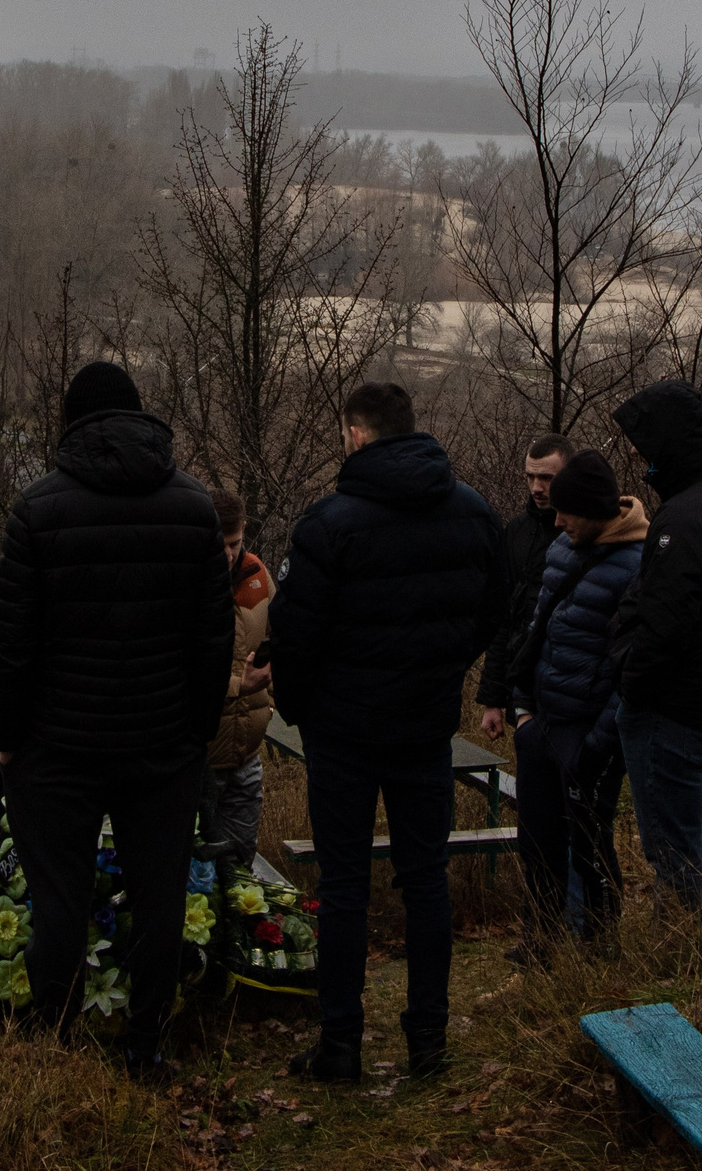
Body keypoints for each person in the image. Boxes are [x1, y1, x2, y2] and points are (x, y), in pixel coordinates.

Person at [0, 362, 232, 1077]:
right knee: (160, 901)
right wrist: (197, 730)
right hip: (162, 746)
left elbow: (13, 645)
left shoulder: (37, 509)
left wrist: (10, 739)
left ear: (70, 423)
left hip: (58, 749)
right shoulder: (194, 508)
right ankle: (145, 1047)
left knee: (59, 902)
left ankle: (54, 1046)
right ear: (138, 416)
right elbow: (213, 638)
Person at [259, 382, 505, 1085]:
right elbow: (495, 605)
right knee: (427, 878)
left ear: (357, 436)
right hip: (424, 724)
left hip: (343, 731)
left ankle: (341, 1042)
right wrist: (445, 667)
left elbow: (295, 634)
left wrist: (305, 710)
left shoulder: (329, 523)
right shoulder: (474, 511)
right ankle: (427, 1037)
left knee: (344, 886)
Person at [610, 379, 702, 917]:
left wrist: (632, 682)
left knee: (673, 843)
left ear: (669, 443)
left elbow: (666, 623)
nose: (635, 452)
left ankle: (684, 949)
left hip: (674, 705)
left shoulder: (687, 516)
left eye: (643, 442)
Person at [506, 449, 645, 956]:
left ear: (594, 509)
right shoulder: (563, 549)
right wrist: (523, 711)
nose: (557, 520)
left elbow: (633, 670)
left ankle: (600, 949)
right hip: (542, 723)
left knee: (589, 844)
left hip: (589, 733)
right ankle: (538, 945)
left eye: (568, 512)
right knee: (537, 844)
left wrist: (599, 743)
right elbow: (535, 630)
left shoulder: (639, 563)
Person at [474, 433, 571, 743]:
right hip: (523, 688)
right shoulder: (517, 531)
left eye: (546, 478)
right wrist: (493, 699)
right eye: (530, 477)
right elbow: (505, 616)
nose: (536, 487)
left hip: (569, 691)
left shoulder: (584, 533)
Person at [203, 488, 276, 857]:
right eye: (221, 543)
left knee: (242, 860)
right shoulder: (183, 583)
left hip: (246, 754)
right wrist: (238, 686)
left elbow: (282, 632)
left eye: (235, 542)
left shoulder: (258, 575)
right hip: (199, 759)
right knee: (192, 871)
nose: (229, 553)